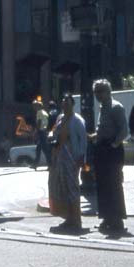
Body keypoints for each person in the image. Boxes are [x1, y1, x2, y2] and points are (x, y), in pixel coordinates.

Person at [89, 79, 128, 235]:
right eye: (96, 92)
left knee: (114, 184)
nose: (98, 95)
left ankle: (117, 219)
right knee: (103, 186)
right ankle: (107, 217)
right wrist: (94, 136)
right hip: (102, 149)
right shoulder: (102, 108)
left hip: (112, 151)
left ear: (108, 91)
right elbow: (104, 130)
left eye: (100, 91)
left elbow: (124, 131)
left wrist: (113, 145)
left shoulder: (116, 107)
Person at [48, 93, 87, 233]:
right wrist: (51, 136)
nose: (65, 106)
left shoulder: (77, 121)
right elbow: (53, 132)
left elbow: (83, 141)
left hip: (72, 159)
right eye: (63, 103)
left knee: (72, 188)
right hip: (59, 158)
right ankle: (68, 218)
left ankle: (76, 220)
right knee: (61, 188)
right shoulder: (59, 118)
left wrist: (82, 159)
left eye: (68, 103)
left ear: (72, 104)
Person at [32, 99, 50, 170]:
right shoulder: (45, 112)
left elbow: (39, 122)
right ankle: (35, 164)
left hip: (41, 132)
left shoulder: (39, 112)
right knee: (39, 149)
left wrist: (36, 132)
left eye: (35, 106)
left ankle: (50, 164)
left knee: (44, 149)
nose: (34, 107)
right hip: (44, 131)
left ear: (38, 106)